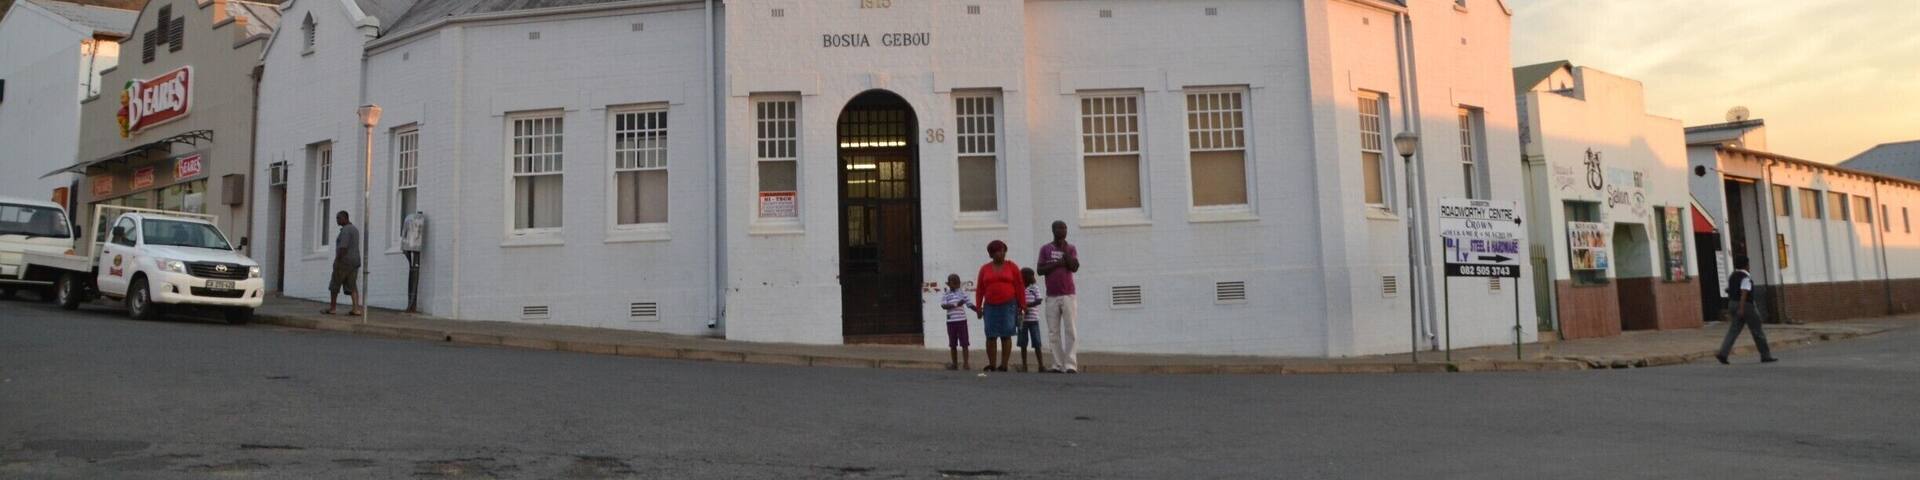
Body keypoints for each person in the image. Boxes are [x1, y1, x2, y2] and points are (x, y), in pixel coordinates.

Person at [1036, 220, 1081, 373]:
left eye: (1065, 228)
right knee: (1053, 332)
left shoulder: (1071, 248)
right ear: (1053, 230)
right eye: (1060, 228)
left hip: (1068, 294)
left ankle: (1070, 364)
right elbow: (1040, 270)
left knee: (1071, 330)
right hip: (1052, 296)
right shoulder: (1045, 249)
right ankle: (1057, 364)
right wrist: (1057, 263)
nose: (1063, 230)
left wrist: (1065, 252)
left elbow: (1074, 267)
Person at [975, 240, 1026, 372]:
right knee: (990, 335)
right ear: (991, 254)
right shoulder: (984, 269)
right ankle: (992, 364)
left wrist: (1022, 305)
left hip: (1008, 305)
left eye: (1003, 250)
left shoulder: (1012, 267)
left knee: (1006, 334)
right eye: (998, 251)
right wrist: (978, 306)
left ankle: (1003, 365)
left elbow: (1019, 286)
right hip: (990, 306)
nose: (1001, 253)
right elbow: (980, 289)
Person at [1716, 256, 1777, 364]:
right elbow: (1744, 292)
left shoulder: (1732, 276)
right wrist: (1741, 307)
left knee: (1733, 331)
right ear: (1746, 265)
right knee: (1757, 330)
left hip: (1732, 303)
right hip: (1746, 305)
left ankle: (1723, 353)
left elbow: (1728, 289)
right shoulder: (1745, 277)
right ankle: (1765, 355)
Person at [323, 211, 363, 316]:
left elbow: (343, 247)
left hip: (344, 261)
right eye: (337, 218)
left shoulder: (345, 230)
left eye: (339, 218)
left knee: (335, 284)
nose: (337, 220)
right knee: (353, 285)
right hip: (355, 261)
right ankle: (356, 309)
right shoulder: (355, 229)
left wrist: (337, 260)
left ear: (345, 218)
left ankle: (332, 308)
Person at [939, 274, 976, 371]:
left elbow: (969, 304)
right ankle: (954, 364)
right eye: (953, 282)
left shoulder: (962, 293)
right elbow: (943, 306)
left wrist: (978, 311)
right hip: (951, 322)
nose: (955, 284)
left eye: (956, 282)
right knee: (953, 344)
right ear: (949, 284)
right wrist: (956, 304)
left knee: (964, 343)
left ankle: (966, 364)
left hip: (961, 321)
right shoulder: (946, 294)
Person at [1016, 268, 1045, 372]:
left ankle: (1041, 365)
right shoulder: (1019, 288)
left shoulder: (1034, 288)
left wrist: (1027, 305)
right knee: (1023, 343)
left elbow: (1039, 300)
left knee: (1037, 342)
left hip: (1033, 319)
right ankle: (1024, 365)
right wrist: (1021, 307)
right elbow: (1016, 301)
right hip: (1021, 319)